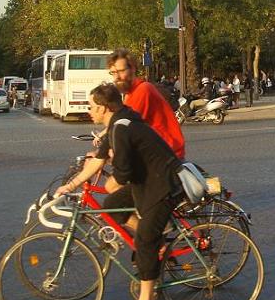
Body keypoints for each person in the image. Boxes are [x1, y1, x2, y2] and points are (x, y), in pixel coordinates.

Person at [85, 83, 181, 300]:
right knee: (112, 204)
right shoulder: (118, 123)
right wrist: (69, 185)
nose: (88, 111)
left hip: (162, 184)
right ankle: (155, 241)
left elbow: (123, 173)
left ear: (104, 108)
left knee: (144, 241)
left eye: (91, 107)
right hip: (147, 181)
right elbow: (98, 160)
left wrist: (112, 180)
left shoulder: (121, 127)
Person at [56, 49, 185, 194]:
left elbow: (123, 125)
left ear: (133, 68)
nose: (117, 77)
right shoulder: (130, 93)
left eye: (121, 71)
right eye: (113, 72)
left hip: (166, 152)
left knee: (114, 186)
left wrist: (101, 152)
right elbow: (119, 121)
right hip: (150, 151)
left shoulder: (143, 90)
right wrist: (103, 142)